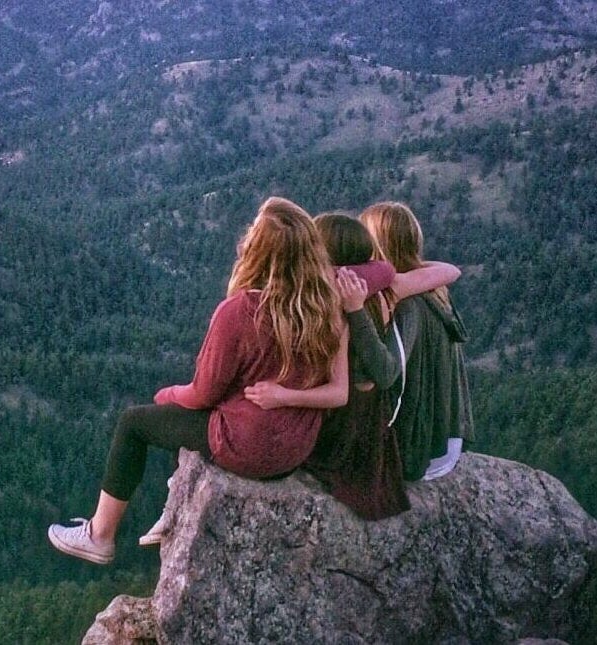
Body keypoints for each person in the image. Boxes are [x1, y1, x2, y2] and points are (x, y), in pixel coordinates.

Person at [47, 196, 349, 565]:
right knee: (187, 423)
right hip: (296, 447)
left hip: (249, 447)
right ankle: (175, 502)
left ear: (257, 251)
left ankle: (100, 535)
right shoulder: (329, 306)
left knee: (135, 423)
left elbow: (203, 394)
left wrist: (169, 394)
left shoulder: (240, 312)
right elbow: (339, 390)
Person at [242, 213, 461, 520]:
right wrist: (385, 272)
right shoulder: (383, 288)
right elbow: (450, 270)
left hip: (350, 422)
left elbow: (383, 373)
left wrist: (356, 310)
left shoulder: (342, 297)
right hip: (363, 414)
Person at [359, 202, 474, 481]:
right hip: (448, 439)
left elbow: (386, 375)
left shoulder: (407, 306)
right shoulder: (435, 291)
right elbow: (449, 269)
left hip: (419, 450)